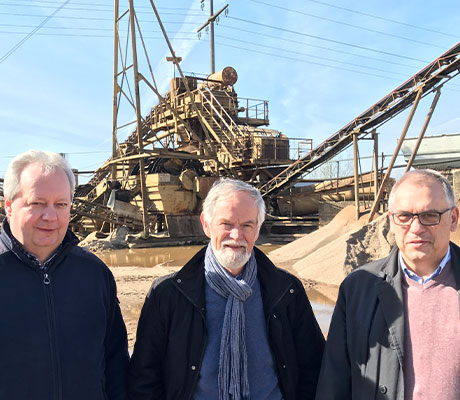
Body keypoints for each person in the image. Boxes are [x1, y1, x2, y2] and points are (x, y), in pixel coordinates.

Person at [128, 178, 325, 400]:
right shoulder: (168, 294)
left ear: (258, 229)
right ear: (206, 224)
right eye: (227, 224)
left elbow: (314, 369)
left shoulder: (287, 291)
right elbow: (144, 378)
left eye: (247, 225)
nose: (236, 235)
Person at [315, 169, 460, 400]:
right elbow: (334, 381)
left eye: (430, 215)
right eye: (404, 216)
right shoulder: (357, 288)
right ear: (391, 220)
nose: (416, 228)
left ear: (453, 218)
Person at [0, 150, 129, 400]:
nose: (50, 216)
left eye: (61, 204)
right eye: (37, 203)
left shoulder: (94, 274)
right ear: (9, 206)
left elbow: (115, 364)